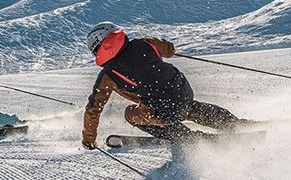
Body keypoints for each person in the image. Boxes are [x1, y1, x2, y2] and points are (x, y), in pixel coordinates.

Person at [80, 22, 250, 148]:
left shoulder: (107, 75)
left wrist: (89, 139)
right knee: (185, 106)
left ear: (99, 47)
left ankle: (188, 138)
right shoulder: (144, 43)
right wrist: (165, 51)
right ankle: (234, 123)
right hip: (182, 90)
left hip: (163, 109)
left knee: (132, 113)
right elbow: (168, 49)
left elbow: (94, 109)